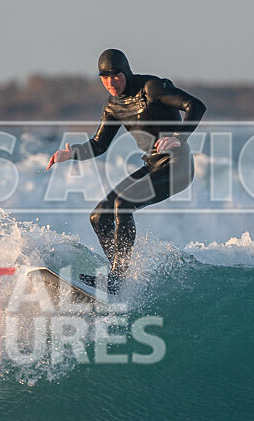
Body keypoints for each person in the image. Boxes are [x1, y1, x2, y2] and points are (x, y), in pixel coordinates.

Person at [47, 49, 206, 294]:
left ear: (126, 72)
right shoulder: (113, 106)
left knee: (123, 204)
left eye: (116, 75)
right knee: (99, 217)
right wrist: (72, 153)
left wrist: (178, 137)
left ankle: (117, 280)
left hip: (179, 166)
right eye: (104, 76)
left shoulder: (152, 88)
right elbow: (99, 144)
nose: (111, 82)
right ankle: (119, 276)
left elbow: (196, 105)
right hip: (153, 165)